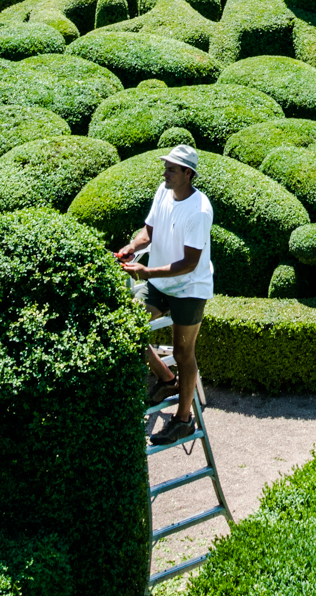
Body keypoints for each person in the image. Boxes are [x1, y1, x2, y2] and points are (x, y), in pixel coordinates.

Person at [115, 142, 213, 446]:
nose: (165, 172)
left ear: (188, 173)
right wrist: (134, 246)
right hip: (160, 284)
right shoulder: (162, 191)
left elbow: (189, 263)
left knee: (184, 353)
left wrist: (146, 273)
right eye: (166, 167)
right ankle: (167, 379)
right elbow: (150, 232)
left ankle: (183, 420)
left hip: (189, 288)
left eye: (171, 168)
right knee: (125, 327)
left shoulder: (200, 210)